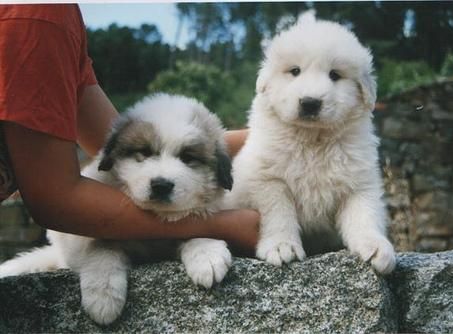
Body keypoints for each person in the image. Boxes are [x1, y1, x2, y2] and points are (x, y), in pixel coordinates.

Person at [0, 4, 259, 255]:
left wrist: (276, 135)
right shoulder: (35, 15)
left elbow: (118, 141)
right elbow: (56, 199)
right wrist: (219, 225)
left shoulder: (53, 18)